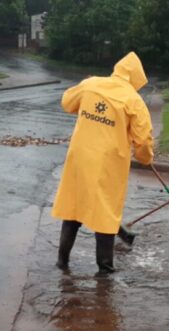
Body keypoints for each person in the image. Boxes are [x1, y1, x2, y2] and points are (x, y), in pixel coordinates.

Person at [51, 52, 154, 274]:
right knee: (106, 214)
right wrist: (146, 158)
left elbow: (67, 102)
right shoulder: (134, 101)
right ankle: (105, 269)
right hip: (108, 165)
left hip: (79, 159)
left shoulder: (90, 84)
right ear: (136, 77)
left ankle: (62, 261)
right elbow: (143, 140)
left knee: (73, 209)